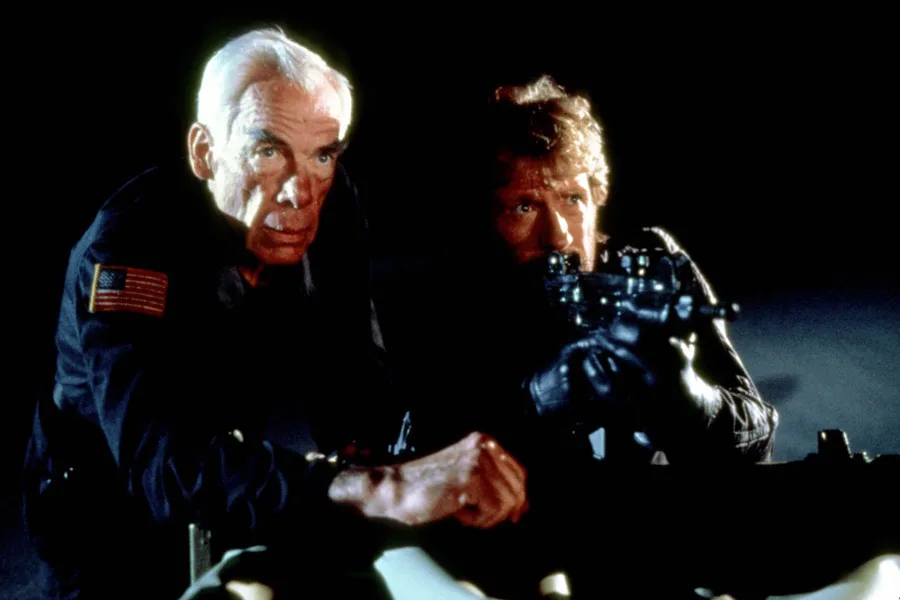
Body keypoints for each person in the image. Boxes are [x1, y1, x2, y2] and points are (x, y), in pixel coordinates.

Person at [22, 28, 527, 600]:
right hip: (101, 504)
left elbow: (357, 384)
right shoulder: (128, 246)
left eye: (322, 156)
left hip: (226, 461)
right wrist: (381, 487)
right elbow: (163, 466)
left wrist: (421, 465)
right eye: (268, 152)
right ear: (204, 152)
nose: (298, 194)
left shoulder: (330, 202)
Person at [379, 75, 782, 597]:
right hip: (513, 562)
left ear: (598, 194)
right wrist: (542, 397)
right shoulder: (449, 296)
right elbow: (412, 462)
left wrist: (688, 398)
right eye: (524, 207)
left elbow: (757, 432)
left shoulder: (650, 263)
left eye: (572, 198)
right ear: (484, 216)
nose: (559, 236)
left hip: (661, 548)